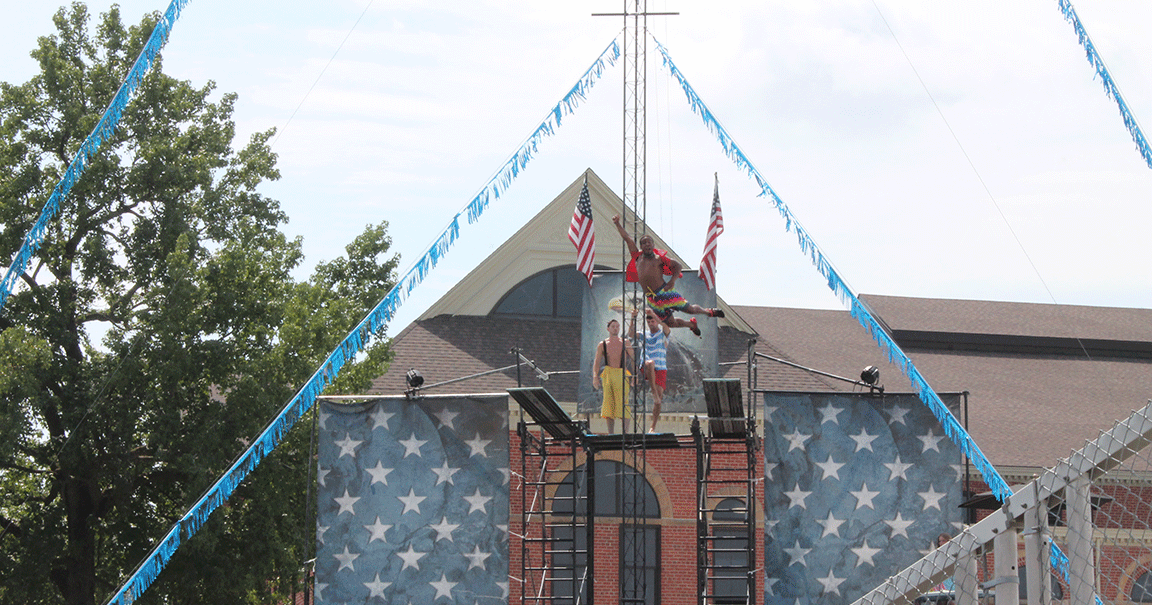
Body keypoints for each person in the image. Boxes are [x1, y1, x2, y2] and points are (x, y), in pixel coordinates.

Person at [612, 215, 723, 336]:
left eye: (649, 243)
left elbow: (678, 266)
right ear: (641, 246)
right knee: (671, 323)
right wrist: (617, 223)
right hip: (652, 299)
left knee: (690, 309)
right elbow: (627, 238)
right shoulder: (637, 257)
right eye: (644, 243)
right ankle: (691, 325)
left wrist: (672, 281)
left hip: (665, 292)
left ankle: (709, 312)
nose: (647, 245)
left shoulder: (659, 259)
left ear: (653, 245)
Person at [630, 308, 670, 433]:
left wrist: (653, 314)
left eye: (653, 321)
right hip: (646, 366)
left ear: (656, 321)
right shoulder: (644, 334)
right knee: (650, 363)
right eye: (649, 322)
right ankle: (653, 392)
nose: (651, 324)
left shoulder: (663, 333)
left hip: (661, 367)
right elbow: (631, 334)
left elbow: (666, 326)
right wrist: (632, 318)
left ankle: (653, 426)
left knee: (659, 400)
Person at [591, 317, 634, 433]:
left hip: (622, 373)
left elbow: (633, 359)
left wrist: (634, 376)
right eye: (613, 327)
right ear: (608, 329)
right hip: (609, 373)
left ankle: (625, 432)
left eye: (617, 326)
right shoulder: (603, 344)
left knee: (623, 402)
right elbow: (597, 361)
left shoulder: (625, 342)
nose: (615, 329)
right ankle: (611, 433)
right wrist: (595, 377)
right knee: (608, 403)